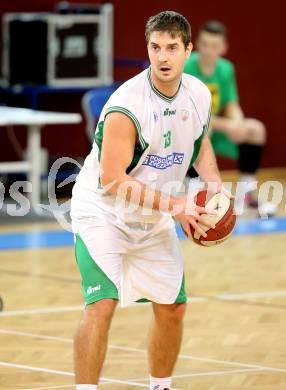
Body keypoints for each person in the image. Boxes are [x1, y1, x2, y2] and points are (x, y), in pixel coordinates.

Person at [71, 11, 225, 390]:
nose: (163, 57)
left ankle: (161, 386)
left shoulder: (199, 94)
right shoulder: (128, 105)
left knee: (173, 308)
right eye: (156, 47)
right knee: (101, 305)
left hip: (151, 212)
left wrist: (213, 185)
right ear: (148, 49)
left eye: (172, 47)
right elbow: (112, 179)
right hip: (103, 210)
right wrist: (177, 207)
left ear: (188, 49)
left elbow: (200, 140)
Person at [184, 20, 269, 212]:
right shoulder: (187, 65)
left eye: (214, 46)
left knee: (256, 129)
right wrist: (227, 125)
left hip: (216, 127)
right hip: (187, 129)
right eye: (205, 44)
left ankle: (246, 194)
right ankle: (193, 190)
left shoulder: (226, 68)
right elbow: (190, 114)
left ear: (223, 48)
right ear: (197, 43)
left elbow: (231, 103)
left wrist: (237, 123)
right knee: (204, 128)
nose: (208, 50)